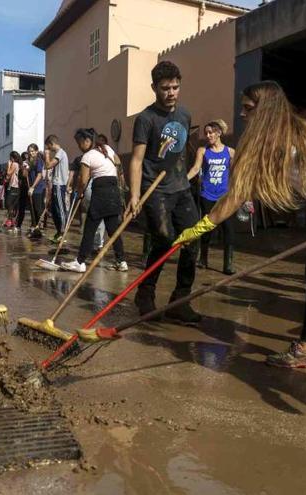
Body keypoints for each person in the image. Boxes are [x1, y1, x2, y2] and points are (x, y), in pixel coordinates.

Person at [176, 81, 306, 368]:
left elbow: (235, 196)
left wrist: (200, 227)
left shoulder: (275, 139)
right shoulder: (285, 131)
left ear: (265, 110)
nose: (243, 114)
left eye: (248, 108)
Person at [127, 61, 201, 324]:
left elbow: (181, 151)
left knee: (193, 240)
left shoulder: (185, 115)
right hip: (155, 189)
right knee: (164, 239)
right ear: (154, 88)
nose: (171, 93)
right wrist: (135, 195)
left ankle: (180, 301)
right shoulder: (145, 119)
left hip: (181, 188)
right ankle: (145, 294)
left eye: (175, 87)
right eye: (165, 88)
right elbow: (136, 160)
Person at [59, 128, 128, 273]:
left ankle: (80, 261)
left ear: (87, 141)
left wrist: (79, 193)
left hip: (101, 191)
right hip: (114, 189)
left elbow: (83, 180)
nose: (78, 146)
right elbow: (118, 162)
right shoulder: (107, 148)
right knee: (113, 229)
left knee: (89, 229)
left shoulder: (87, 156)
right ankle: (121, 261)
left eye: (79, 142)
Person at [187, 119, 236, 274]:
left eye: (211, 132)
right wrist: (182, 181)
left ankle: (228, 264)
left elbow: (235, 174)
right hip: (207, 195)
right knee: (207, 228)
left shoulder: (230, 152)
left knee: (229, 230)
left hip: (225, 197)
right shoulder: (202, 151)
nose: (208, 135)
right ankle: (203, 259)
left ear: (219, 133)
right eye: (206, 133)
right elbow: (195, 169)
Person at [44, 135, 70, 243]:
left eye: (48, 146)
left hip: (60, 185)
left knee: (60, 209)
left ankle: (63, 233)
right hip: (55, 184)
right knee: (54, 211)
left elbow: (48, 166)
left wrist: (47, 155)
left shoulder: (60, 153)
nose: (48, 149)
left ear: (51, 143)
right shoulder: (59, 153)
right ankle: (58, 232)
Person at [4, 151, 22, 231]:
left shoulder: (14, 164)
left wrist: (8, 165)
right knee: (11, 205)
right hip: (13, 186)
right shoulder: (17, 164)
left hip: (14, 186)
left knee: (9, 204)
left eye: (10, 157)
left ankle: (11, 221)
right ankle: (10, 220)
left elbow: (8, 173)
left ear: (12, 157)